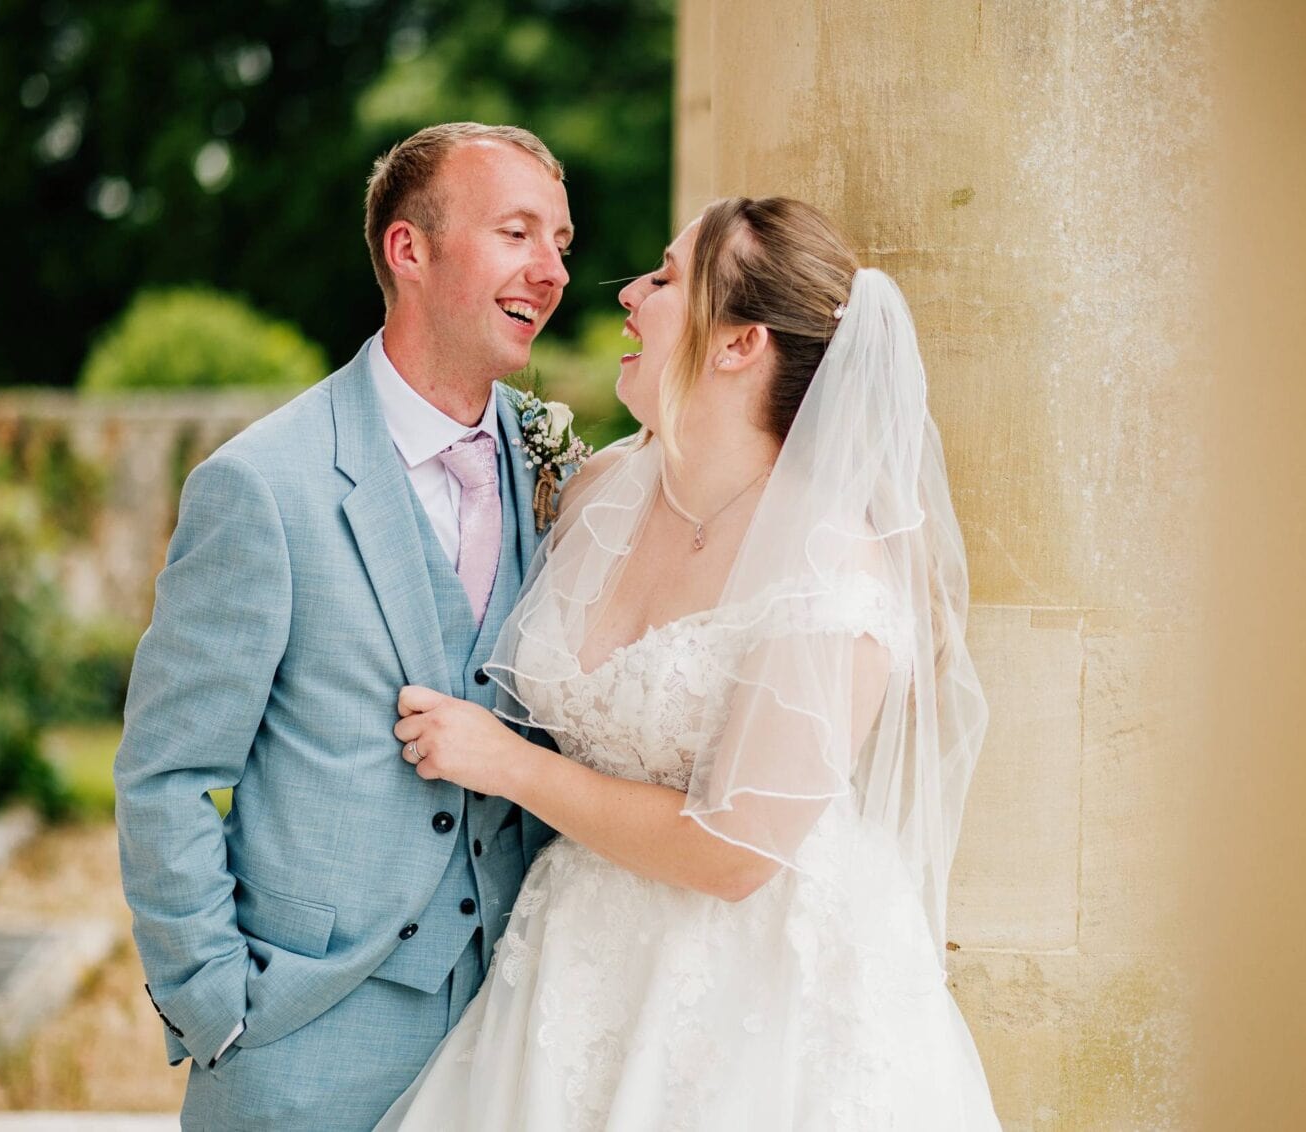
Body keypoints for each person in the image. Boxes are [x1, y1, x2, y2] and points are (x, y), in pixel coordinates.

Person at [378, 197, 1001, 1130]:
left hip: (754, 1003)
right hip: (568, 969)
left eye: (665, 279)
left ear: (739, 343)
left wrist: (505, 764)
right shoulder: (598, 491)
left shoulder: (829, 568)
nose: (627, 292)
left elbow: (734, 853)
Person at [114, 122, 576, 1130]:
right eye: (515, 233)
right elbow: (167, 772)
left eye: (560, 243)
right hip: (300, 1048)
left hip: (516, 1038)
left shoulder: (564, 483)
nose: (548, 271)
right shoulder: (262, 486)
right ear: (408, 251)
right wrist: (216, 1006)